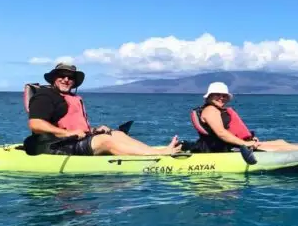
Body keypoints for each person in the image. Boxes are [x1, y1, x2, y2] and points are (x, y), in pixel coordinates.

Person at [26, 63, 182, 156]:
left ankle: (157, 151)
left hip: (74, 141)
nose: (66, 80)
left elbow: (75, 126)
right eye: (62, 75)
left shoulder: (73, 98)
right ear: (54, 78)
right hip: (57, 146)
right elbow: (35, 124)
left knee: (115, 133)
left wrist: (94, 130)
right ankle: (158, 154)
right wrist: (67, 133)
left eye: (70, 77)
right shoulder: (45, 96)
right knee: (106, 140)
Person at [190, 82, 298, 153]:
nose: (221, 97)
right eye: (217, 95)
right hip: (219, 150)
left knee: (280, 142)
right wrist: (245, 144)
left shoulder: (217, 110)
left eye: (224, 95)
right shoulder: (210, 110)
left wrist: (249, 140)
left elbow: (228, 131)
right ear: (209, 96)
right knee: (277, 148)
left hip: (230, 145)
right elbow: (221, 133)